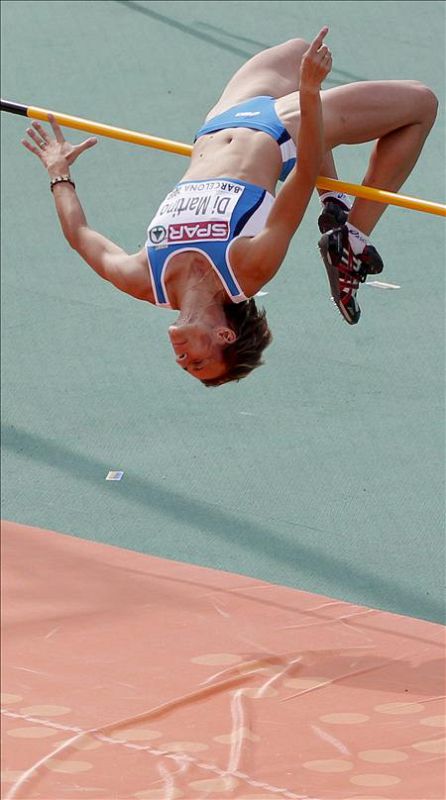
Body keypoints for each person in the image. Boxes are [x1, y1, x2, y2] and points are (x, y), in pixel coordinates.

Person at [22, 28, 437, 386]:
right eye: (198, 362)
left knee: (295, 50)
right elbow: (305, 169)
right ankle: (353, 236)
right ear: (224, 336)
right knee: (421, 104)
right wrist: (309, 94)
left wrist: (58, 171)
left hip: (222, 119)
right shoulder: (245, 270)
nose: (183, 359)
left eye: (186, 367)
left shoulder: (146, 280)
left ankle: (334, 206)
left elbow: (81, 237)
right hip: (282, 127)